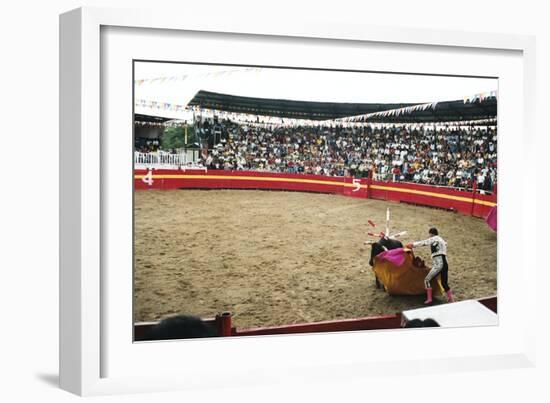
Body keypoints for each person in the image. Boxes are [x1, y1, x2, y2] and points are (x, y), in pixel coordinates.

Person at [406, 227, 455, 304]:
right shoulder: (442, 240)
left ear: (431, 233)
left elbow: (424, 242)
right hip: (445, 263)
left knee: (427, 280)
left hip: (439, 264)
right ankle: (451, 299)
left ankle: (429, 299)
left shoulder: (434, 238)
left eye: (429, 234)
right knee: (444, 283)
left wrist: (412, 244)